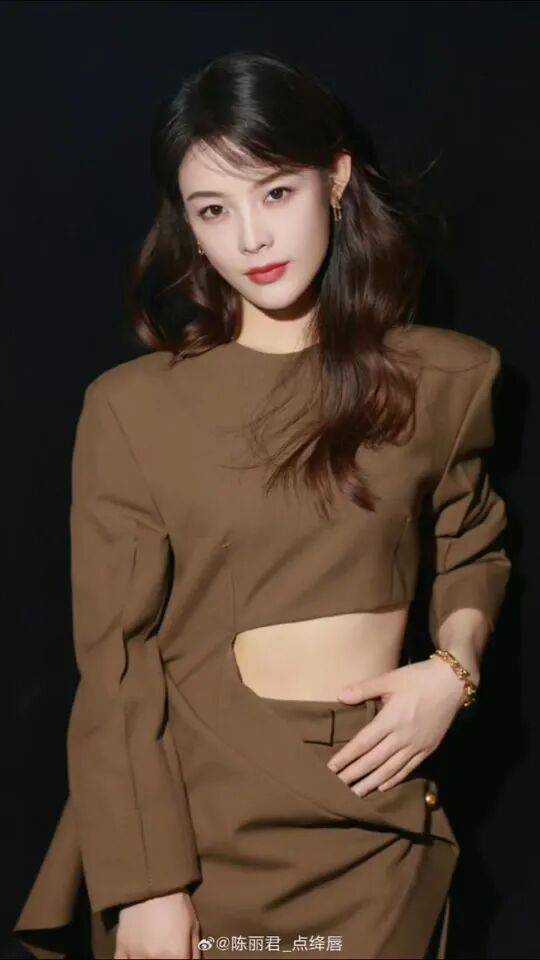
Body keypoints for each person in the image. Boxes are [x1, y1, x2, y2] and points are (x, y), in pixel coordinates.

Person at [13, 49, 512, 960]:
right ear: (189, 229)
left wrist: (453, 670)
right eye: (213, 210)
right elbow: (117, 669)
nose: (250, 237)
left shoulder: (447, 379)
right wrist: (148, 887)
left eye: (275, 192)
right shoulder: (131, 410)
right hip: (203, 839)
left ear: (336, 180)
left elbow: (473, 544)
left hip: (380, 827)